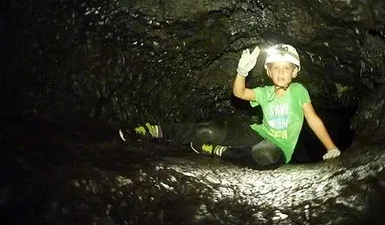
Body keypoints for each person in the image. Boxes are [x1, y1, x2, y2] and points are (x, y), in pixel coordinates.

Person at [119, 44, 341, 168]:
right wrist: (242, 72)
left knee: (265, 157)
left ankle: (220, 152)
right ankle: (153, 130)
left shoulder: (298, 91)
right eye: (276, 68)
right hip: (257, 133)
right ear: (268, 71)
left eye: (286, 68)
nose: (281, 73)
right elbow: (239, 93)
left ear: (295, 72)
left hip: (280, 146)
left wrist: (330, 147)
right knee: (210, 130)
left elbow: (313, 119)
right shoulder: (264, 92)